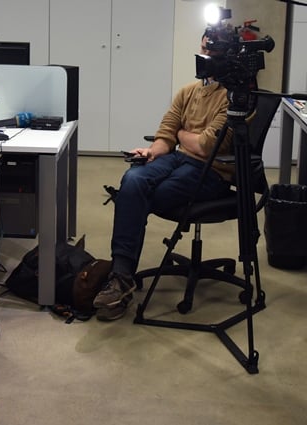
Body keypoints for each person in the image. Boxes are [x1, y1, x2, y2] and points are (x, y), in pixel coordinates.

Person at [93, 29, 236, 321]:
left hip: (212, 173)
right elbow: (166, 133)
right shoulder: (188, 92)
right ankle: (121, 276)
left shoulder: (233, 98)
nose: (205, 57)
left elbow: (207, 145)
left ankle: (121, 277)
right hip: (176, 158)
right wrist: (153, 151)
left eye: (212, 52)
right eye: (203, 50)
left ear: (226, 56)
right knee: (133, 181)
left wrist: (181, 136)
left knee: (144, 195)